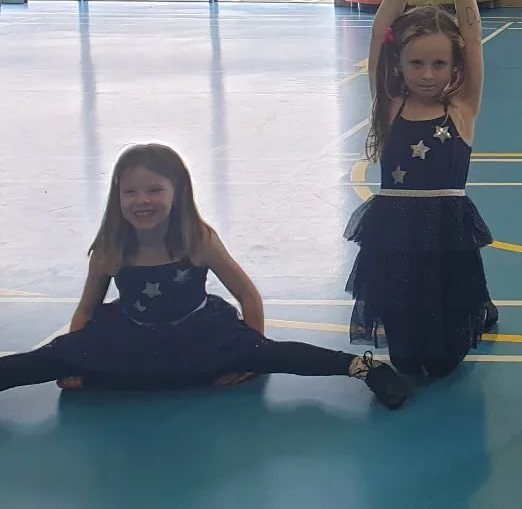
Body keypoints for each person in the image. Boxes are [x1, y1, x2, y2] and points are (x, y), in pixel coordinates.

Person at [0, 144, 407, 409]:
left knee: (280, 355)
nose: (142, 201)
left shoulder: (198, 240)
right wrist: (76, 358)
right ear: (117, 195)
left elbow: (247, 295)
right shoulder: (110, 248)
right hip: (131, 336)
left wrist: (252, 352)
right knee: (47, 361)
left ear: (177, 192)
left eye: (154, 190)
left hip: (199, 333)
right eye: (131, 192)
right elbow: (86, 311)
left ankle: (363, 368)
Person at [345, 0, 497, 378]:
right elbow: (380, 33)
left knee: (444, 360)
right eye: (416, 64)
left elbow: (472, 37)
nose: (428, 74)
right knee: (407, 360)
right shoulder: (390, 106)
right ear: (400, 64)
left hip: (446, 233)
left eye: (439, 64)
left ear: (454, 67)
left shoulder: (462, 109)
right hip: (395, 233)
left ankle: (480, 310)